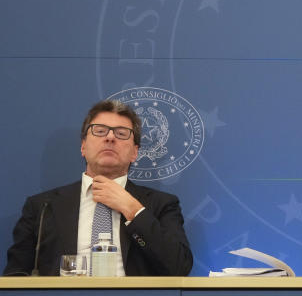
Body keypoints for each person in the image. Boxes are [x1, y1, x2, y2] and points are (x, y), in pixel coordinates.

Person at [3, 99, 193, 276]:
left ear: (135, 152)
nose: (110, 137)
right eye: (100, 131)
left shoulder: (161, 205)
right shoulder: (42, 207)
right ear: (83, 146)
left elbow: (179, 267)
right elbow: (16, 275)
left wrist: (133, 210)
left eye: (121, 133)